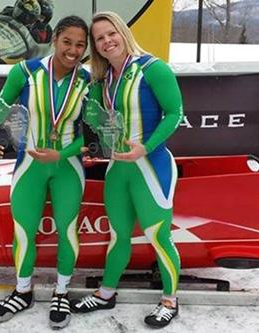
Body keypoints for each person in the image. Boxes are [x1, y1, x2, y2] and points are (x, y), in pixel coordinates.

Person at [70, 11, 184, 328]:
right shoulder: (103, 79)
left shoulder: (153, 68)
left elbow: (175, 113)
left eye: (111, 34)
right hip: (117, 170)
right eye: (99, 38)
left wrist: (145, 147)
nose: (107, 42)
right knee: (118, 235)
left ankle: (170, 300)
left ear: (122, 32)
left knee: (158, 236)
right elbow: (94, 120)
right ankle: (106, 293)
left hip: (151, 165)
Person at [0, 15, 89, 329]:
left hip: (67, 165)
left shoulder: (87, 80)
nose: (73, 49)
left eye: (80, 44)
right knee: (24, 230)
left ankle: (61, 291)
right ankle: (23, 290)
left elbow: (93, 135)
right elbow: (2, 104)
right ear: (55, 39)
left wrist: (62, 153)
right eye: (67, 41)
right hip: (29, 165)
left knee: (67, 230)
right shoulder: (25, 71)